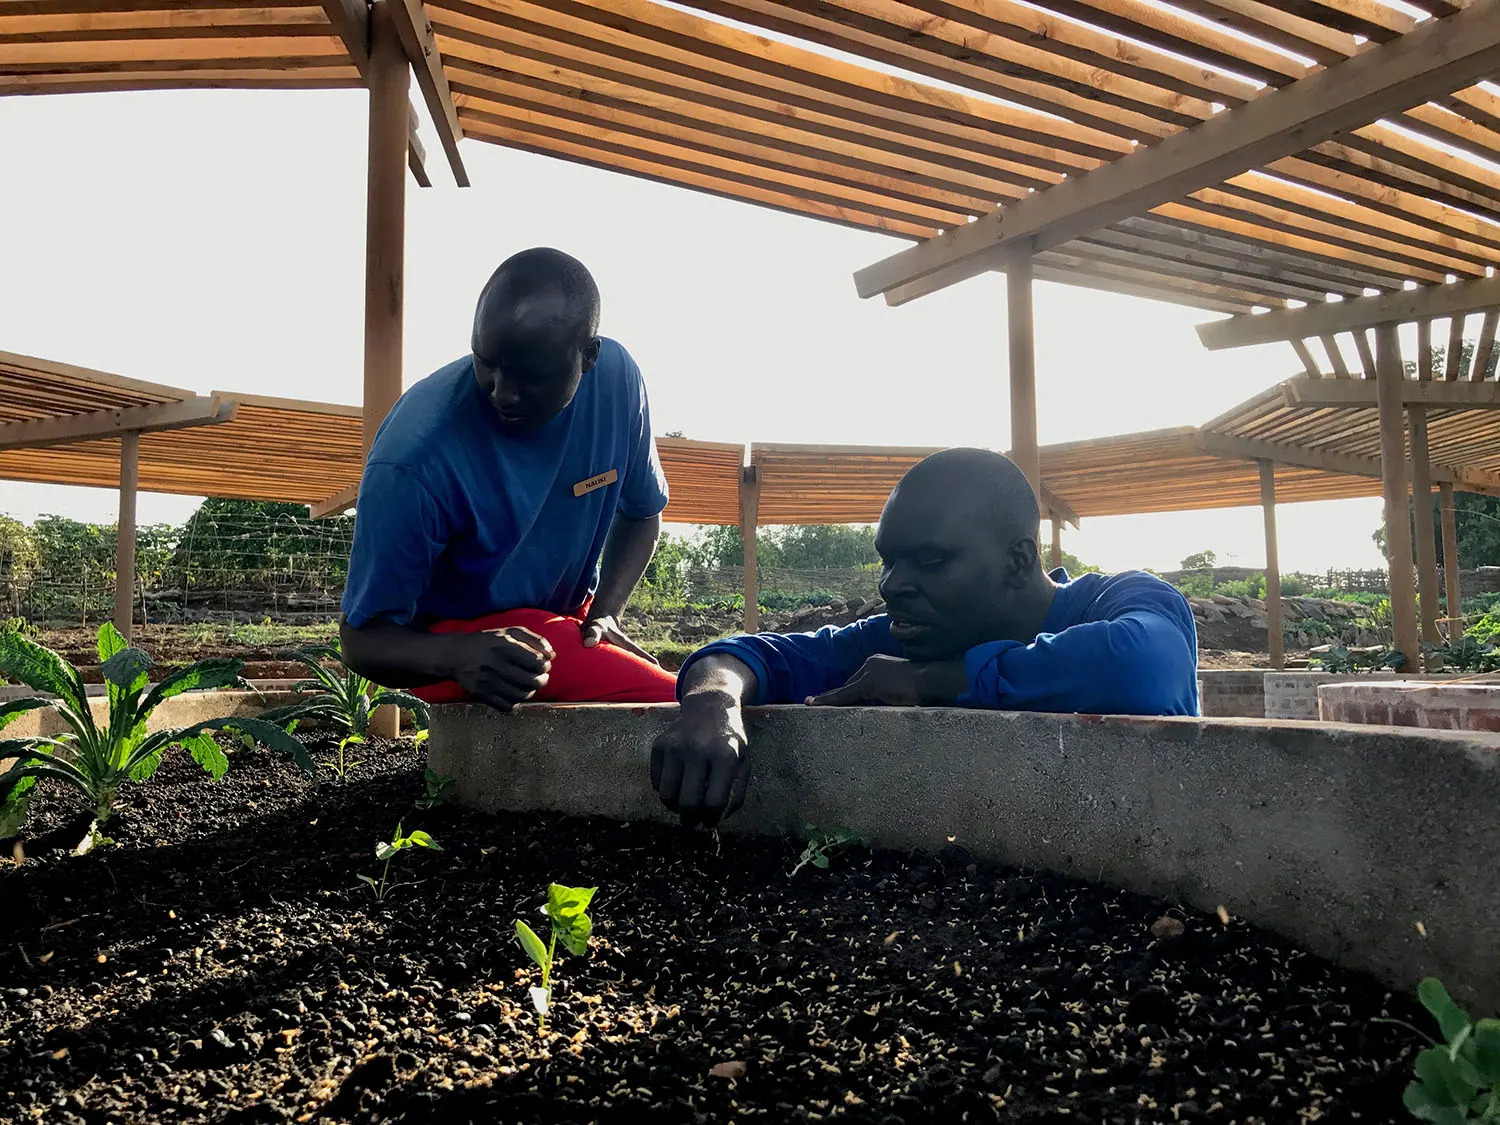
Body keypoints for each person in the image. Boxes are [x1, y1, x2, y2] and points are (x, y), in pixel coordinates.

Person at [651, 448, 1199, 825]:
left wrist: (933, 681)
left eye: (931, 561)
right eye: (888, 562)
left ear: (1019, 560)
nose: (893, 586)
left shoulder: (1123, 602)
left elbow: (1142, 666)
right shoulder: (906, 635)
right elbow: (754, 656)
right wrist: (713, 702)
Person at [339, 247, 677, 710]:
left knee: (660, 688)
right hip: (457, 641)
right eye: (486, 363)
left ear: (589, 357)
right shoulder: (414, 461)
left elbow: (642, 515)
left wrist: (607, 613)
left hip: (562, 617)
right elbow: (361, 640)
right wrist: (458, 656)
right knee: (679, 701)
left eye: (530, 376)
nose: (503, 393)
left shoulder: (618, 383)